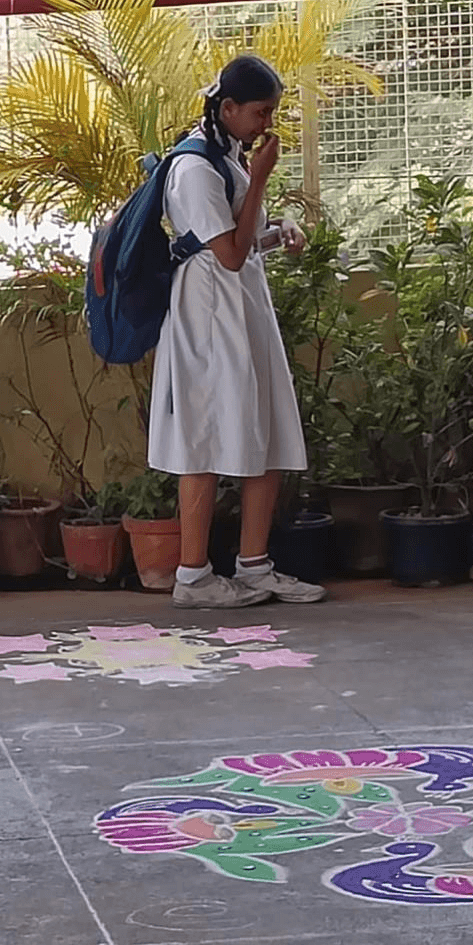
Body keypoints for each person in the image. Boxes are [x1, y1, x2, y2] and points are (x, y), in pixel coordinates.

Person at [147, 54, 328, 610]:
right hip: (208, 318)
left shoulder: (228, 157)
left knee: (264, 426)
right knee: (203, 438)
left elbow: (240, 242)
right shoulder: (194, 167)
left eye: (270, 112)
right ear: (227, 108)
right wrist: (263, 178)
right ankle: (193, 576)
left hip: (242, 310)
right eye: (259, 112)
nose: (266, 123)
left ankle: (254, 567)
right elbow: (225, 254)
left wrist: (277, 233)